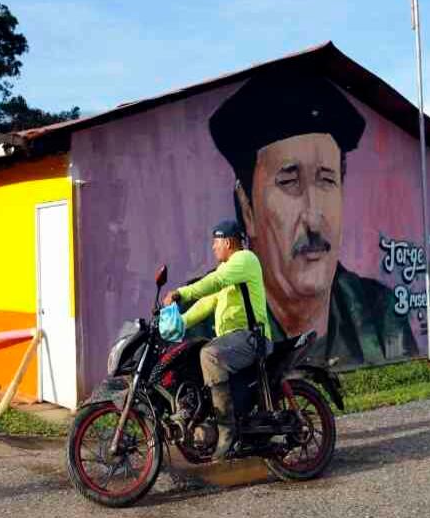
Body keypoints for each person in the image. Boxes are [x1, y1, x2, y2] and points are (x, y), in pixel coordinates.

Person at [207, 68, 417, 370]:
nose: (315, 221)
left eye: (327, 180)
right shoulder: (206, 325)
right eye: (289, 182)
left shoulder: (380, 315)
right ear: (248, 208)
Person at [163, 219, 273, 459]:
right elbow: (207, 303)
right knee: (192, 354)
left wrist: (182, 293)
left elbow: (214, 281)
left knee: (209, 354)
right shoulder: (229, 273)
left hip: (251, 338)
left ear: (228, 242)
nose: (213, 247)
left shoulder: (244, 260)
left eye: (216, 242)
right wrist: (178, 322)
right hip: (234, 340)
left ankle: (226, 430)